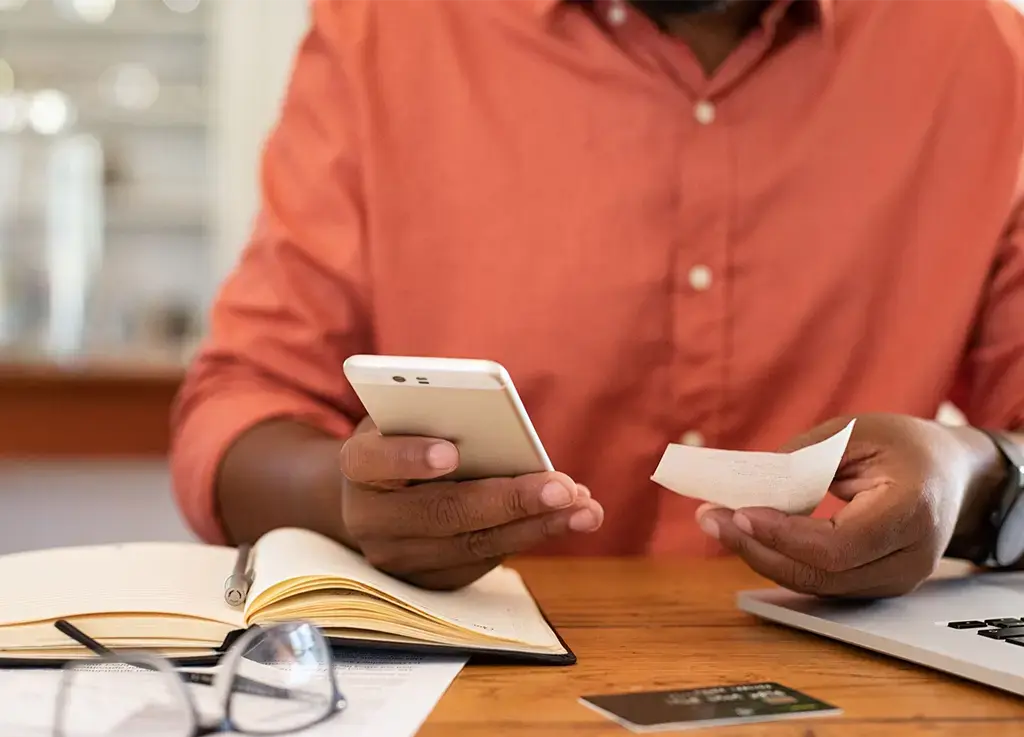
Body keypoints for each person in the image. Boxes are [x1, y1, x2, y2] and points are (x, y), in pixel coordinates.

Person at [171, 0, 1024, 597]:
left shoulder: (981, 54)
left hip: (861, 720)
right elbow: (235, 411)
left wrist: (974, 480)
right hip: (476, 706)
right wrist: (349, 501)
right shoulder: (387, 31)